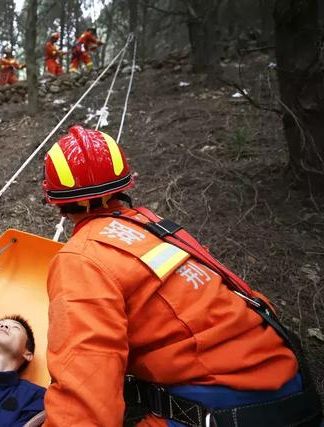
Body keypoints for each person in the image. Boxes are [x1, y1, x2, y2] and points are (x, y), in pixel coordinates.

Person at [41, 125, 322, 426]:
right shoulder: (156, 227)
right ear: (125, 183)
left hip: (222, 408)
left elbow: (85, 401)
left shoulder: (82, 257)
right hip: (292, 388)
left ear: (57, 202)